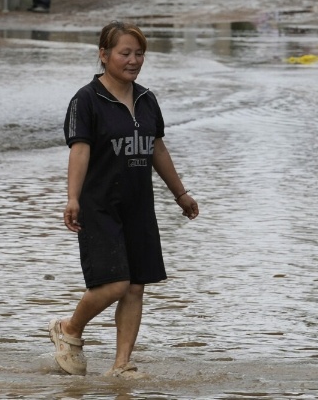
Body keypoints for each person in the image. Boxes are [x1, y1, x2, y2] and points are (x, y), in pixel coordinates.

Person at [52, 21, 199, 378]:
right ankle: (69, 329)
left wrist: (180, 193)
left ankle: (122, 364)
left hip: (138, 204)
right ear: (104, 55)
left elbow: (157, 149)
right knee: (114, 284)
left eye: (139, 53)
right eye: (125, 53)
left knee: (135, 287)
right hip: (99, 205)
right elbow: (80, 152)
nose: (133, 60)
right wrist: (72, 198)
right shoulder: (86, 100)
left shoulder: (147, 100)